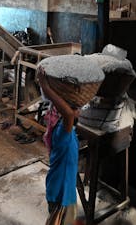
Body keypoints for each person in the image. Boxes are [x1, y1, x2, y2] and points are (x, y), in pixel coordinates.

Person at [37, 67, 80, 225]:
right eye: (74, 108)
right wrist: (46, 88)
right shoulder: (62, 133)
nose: (78, 111)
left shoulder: (69, 131)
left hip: (63, 192)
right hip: (61, 194)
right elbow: (68, 114)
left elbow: (69, 114)